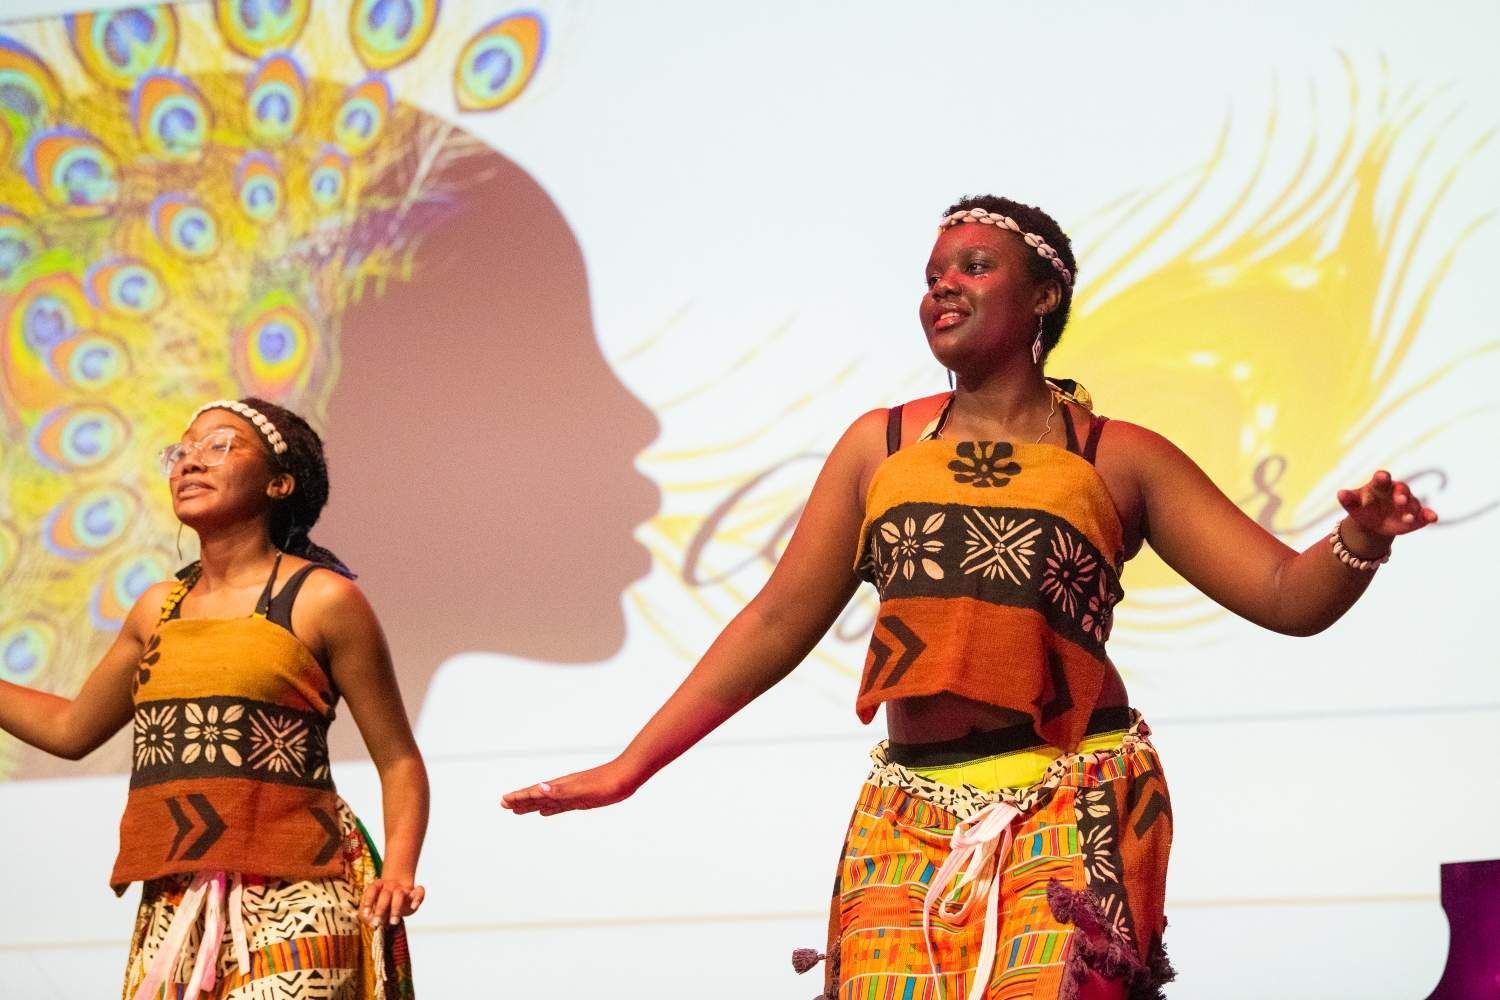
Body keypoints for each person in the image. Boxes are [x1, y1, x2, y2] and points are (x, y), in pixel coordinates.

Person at [501, 195, 1438, 999]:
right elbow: (782, 619)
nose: (940, 286)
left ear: (1043, 298)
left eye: (973, 267)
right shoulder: (881, 444)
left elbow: (1285, 594)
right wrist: (630, 766)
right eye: (932, 273)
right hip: (905, 809)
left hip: (1073, 800)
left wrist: (1357, 540)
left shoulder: (1120, 455)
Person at [0, 397, 428, 998]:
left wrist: (401, 871)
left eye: (220, 446)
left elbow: (399, 760)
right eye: (182, 451)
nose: (190, 462)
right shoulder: (157, 608)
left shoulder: (323, 600)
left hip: (296, 890)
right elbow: (70, 729)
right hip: (176, 898)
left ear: (280, 483)